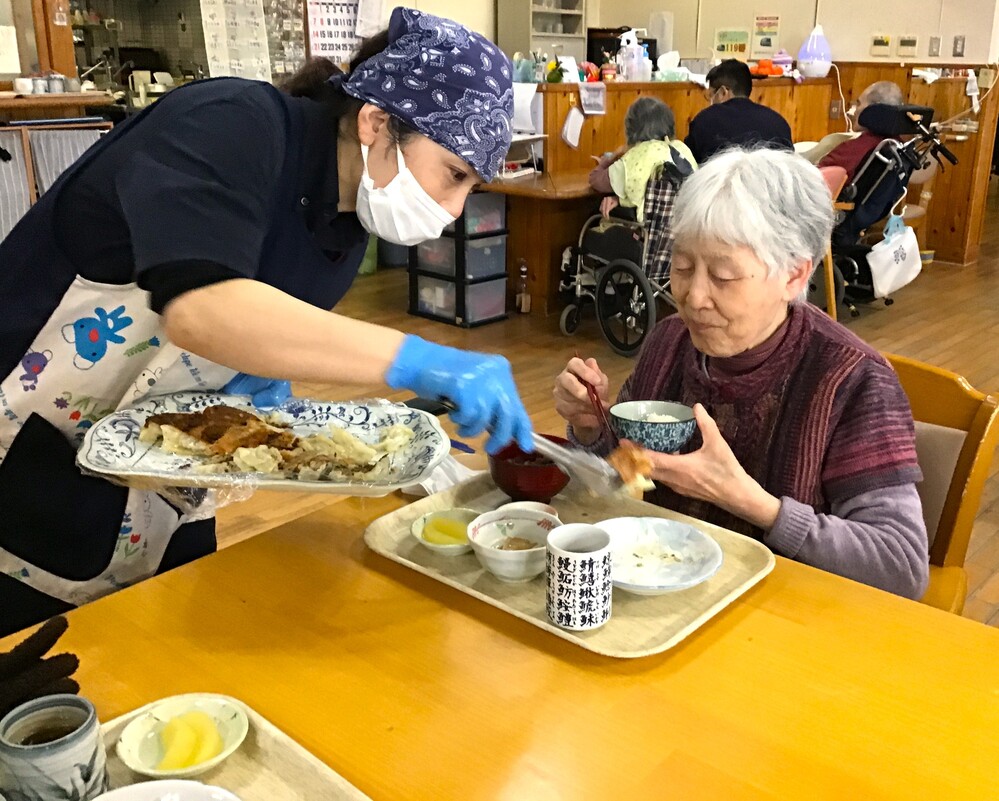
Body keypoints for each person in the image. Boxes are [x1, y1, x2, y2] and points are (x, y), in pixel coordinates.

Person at [0, 8, 533, 637]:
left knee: (161, 638)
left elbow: (253, 336)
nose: (452, 211)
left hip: (161, 475)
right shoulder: (231, 125)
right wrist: (421, 358)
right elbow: (202, 309)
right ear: (376, 122)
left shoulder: (341, 236)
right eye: (454, 176)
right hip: (22, 442)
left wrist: (258, 382)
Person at [554, 148, 929, 599]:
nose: (693, 298)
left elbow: (901, 566)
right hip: (656, 593)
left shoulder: (852, 380)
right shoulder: (670, 342)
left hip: (778, 621)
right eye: (682, 267)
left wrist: (752, 503)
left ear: (794, 275)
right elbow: (628, 476)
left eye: (724, 276)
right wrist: (592, 427)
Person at [590, 97, 696, 222]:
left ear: (632, 127)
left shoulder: (636, 157)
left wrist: (610, 158)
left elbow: (595, 181)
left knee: (595, 216)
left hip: (647, 234)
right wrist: (620, 200)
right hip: (687, 227)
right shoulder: (681, 149)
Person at [684, 60, 792, 163]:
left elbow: (689, 168)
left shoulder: (704, 121)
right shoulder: (779, 123)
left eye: (710, 95)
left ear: (722, 92)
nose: (710, 100)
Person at [818, 81, 905, 181]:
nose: (855, 110)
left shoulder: (852, 150)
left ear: (872, 110)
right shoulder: (898, 146)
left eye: (859, 103)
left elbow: (814, 177)